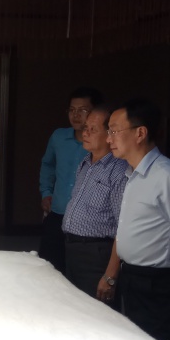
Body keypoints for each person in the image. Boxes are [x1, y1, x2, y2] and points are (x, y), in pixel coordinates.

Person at [108, 98, 170, 340]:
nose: (109, 139)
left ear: (140, 133)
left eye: (114, 131)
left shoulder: (169, 177)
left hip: (159, 285)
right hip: (132, 278)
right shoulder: (132, 174)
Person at [61, 105, 128, 307]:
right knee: (74, 308)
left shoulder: (118, 170)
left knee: (95, 312)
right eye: (85, 128)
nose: (85, 133)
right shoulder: (85, 163)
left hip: (97, 254)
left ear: (109, 135)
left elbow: (123, 228)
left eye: (93, 129)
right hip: (72, 249)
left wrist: (110, 275)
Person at [38, 87, 103, 274]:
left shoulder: (100, 143)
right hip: (57, 212)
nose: (76, 115)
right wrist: (46, 192)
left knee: (78, 273)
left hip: (86, 223)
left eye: (83, 110)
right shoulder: (59, 137)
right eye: (72, 110)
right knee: (49, 270)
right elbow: (48, 164)